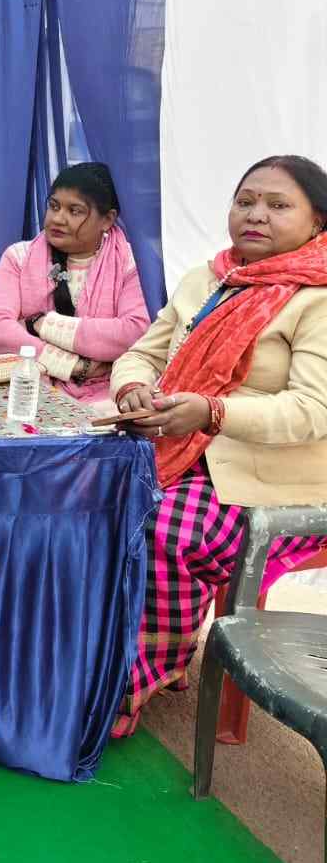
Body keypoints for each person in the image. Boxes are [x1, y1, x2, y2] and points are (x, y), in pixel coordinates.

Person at [109, 154, 327, 738]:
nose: (255, 215)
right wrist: (133, 388)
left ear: (317, 221)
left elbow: (313, 411)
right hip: (174, 447)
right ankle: (93, 652)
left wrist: (213, 412)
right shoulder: (209, 278)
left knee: (160, 530)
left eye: (278, 205)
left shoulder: (318, 297)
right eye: (245, 201)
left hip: (268, 480)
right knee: (79, 503)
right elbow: (143, 353)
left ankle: (133, 676)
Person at [0, 162, 150, 405]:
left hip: (108, 393)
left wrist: (40, 323)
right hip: (29, 386)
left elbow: (134, 332)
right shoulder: (19, 257)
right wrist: (71, 365)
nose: (58, 219)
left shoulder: (131, 262)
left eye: (74, 211)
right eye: (54, 206)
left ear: (108, 219)